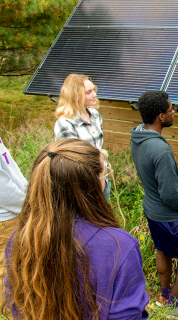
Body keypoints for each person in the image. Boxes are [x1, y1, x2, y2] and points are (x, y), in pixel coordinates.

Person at [1, 139, 149, 320]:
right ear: (94, 183)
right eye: (105, 174)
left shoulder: (20, 239)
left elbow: (17, 304)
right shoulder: (120, 246)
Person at [131, 90, 178, 320]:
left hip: (152, 211)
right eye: (172, 109)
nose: (174, 112)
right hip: (170, 217)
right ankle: (172, 304)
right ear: (161, 116)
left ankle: (162, 296)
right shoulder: (160, 149)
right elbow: (170, 194)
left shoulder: (138, 136)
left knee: (162, 249)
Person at [54, 73, 111, 201]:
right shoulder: (65, 123)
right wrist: (99, 157)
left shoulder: (95, 115)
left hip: (102, 179)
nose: (94, 94)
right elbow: (70, 159)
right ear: (75, 96)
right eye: (88, 92)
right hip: (82, 187)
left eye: (94, 90)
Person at [0, 137, 27, 301]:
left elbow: (9, 168)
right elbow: (3, 189)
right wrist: (29, 204)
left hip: (15, 209)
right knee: (6, 272)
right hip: (6, 217)